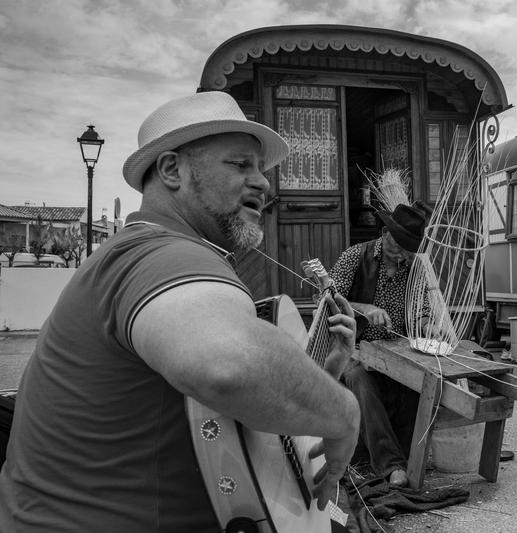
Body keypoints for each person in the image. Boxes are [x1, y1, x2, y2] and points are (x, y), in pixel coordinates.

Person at [0, 91, 361, 532]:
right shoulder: (164, 256)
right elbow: (229, 364)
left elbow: (222, 415)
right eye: (240, 164)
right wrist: (344, 413)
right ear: (172, 169)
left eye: (261, 169)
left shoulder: (138, 253)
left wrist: (320, 377)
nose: (264, 183)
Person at [331, 202, 428, 488]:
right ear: (384, 232)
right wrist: (361, 308)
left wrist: (428, 324)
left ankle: (412, 456)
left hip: (398, 348)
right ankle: (391, 466)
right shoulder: (353, 257)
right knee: (360, 378)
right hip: (354, 347)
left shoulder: (414, 266)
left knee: (419, 382)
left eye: (407, 248)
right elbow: (324, 302)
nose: (400, 253)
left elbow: (422, 309)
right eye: (397, 244)